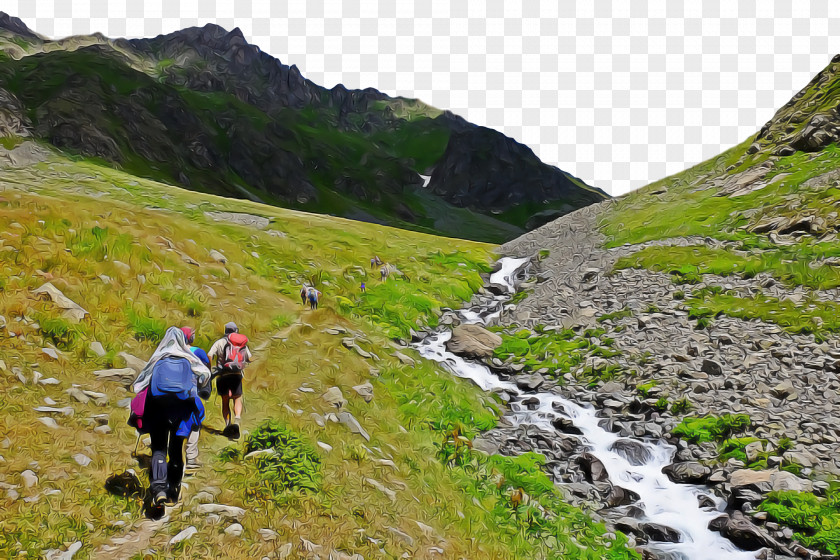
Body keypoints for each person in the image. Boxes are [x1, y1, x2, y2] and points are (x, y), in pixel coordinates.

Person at [132, 327, 210, 508]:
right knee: (176, 451)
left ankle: (159, 489)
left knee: (159, 449)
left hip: (158, 411)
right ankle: (173, 492)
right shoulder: (189, 358)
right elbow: (205, 375)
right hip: (182, 413)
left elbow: (138, 385)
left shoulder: (159, 357)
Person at [209, 322, 252, 439]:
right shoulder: (241, 343)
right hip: (237, 375)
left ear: (225, 331)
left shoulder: (219, 342)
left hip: (223, 374)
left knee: (225, 400)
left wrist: (209, 368)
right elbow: (250, 358)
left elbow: (209, 355)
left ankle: (228, 425)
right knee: (237, 398)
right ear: (236, 331)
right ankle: (237, 420)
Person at [181, 327, 211, 474]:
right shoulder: (197, 351)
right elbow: (206, 366)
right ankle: (191, 458)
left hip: (171, 394)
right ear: (189, 338)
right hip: (191, 392)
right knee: (195, 423)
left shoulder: (171, 351)